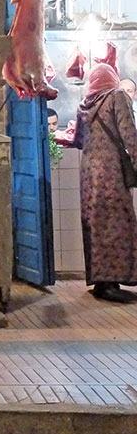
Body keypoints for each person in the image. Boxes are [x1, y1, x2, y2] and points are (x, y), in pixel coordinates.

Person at [75, 64, 137, 304]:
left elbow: (79, 139)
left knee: (96, 226)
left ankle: (101, 282)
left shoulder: (84, 104)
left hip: (89, 173)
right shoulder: (117, 97)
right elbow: (130, 135)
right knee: (116, 224)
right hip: (111, 172)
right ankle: (111, 283)